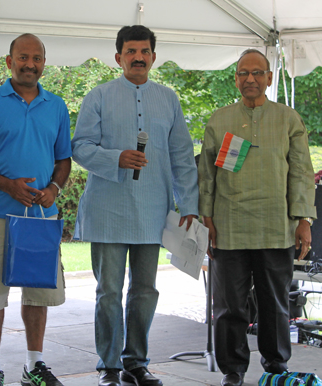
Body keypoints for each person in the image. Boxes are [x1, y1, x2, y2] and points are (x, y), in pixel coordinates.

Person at [71, 25, 199, 386]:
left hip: (153, 209)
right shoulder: (99, 96)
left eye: (144, 51)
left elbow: (182, 156)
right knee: (108, 291)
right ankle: (108, 366)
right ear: (118, 57)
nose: (138, 57)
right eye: (131, 51)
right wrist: (116, 158)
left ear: (154, 57)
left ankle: (136, 363)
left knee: (145, 291)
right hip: (108, 208)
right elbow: (79, 147)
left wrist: (189, 204)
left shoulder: (169, 98)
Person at [198, 49, 317, 386]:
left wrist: (303, 220)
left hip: (276, 226)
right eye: (242, 73)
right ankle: (232, 371)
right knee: (229, 306)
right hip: (228, 228)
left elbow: (301, 174)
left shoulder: (288, 119)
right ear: (235, 78)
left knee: (275, 304)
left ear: (268, 77)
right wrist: (207, 218)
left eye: (257, 72)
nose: (250, 79)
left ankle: (276, 366)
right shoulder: (219, 121)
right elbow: (207, 176)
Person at [0, 33, 72, 386]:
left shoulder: (57, 106)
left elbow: (64, 159)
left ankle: (33, 365)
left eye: (36, 58)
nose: (30, 64)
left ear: (43, 63)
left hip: (41, 218)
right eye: (23, 57)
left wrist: (54, 188)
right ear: (9, 62)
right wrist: (8, 185)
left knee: (38, 292)